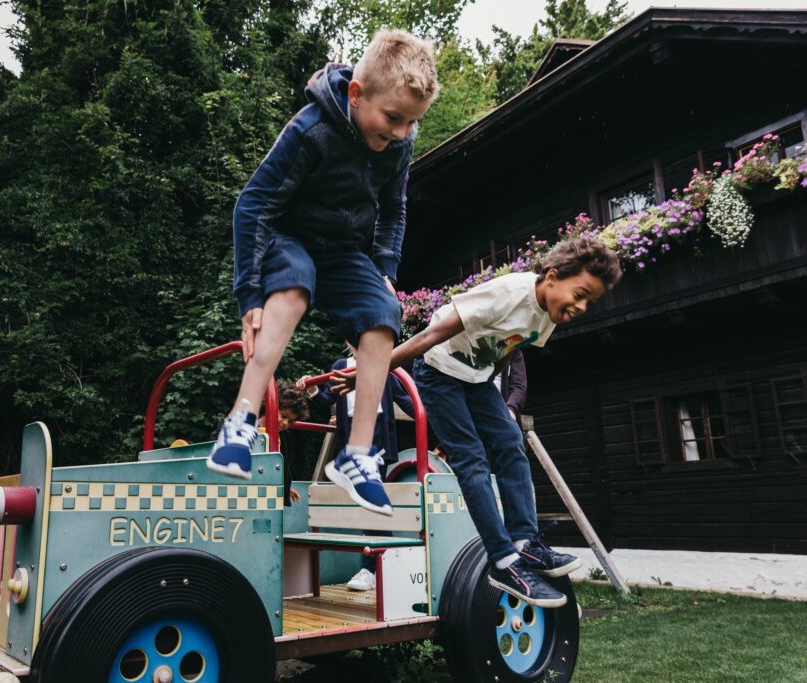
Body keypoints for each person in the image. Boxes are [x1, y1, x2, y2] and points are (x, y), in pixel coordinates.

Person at [206, 29, 440, 518]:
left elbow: (393, 209)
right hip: (287, 237)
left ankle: (356, 456)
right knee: (292, 287)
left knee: (383, 313)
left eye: (411, 123)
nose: (400, 133)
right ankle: (241, 420)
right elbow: (252, 205)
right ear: (356, 95)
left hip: (342, 251)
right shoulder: (312, 128)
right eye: (393, 119)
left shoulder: (399, 144)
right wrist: (249, 295)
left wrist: (383, 270)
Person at [334, 236, 622, 607]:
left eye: (590, 302)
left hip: (476, 379)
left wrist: (495, 403)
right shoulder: (509, 292)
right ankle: (503, 560)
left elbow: (510, 348)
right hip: (437, 369)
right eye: (580, 294)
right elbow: (429, 335)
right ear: (552, 276)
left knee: (510, 442)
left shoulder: (548, 316)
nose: (581, 307)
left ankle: (525, 542)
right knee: (471, 458)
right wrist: (370, 371)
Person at [296, 347, 416, 590]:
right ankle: (384, 562)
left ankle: (373, 567)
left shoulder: (385, 362)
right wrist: (312, 389)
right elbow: (327, 399)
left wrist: (436, 414)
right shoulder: (341, 364)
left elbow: (407, 401)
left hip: (377, 434)